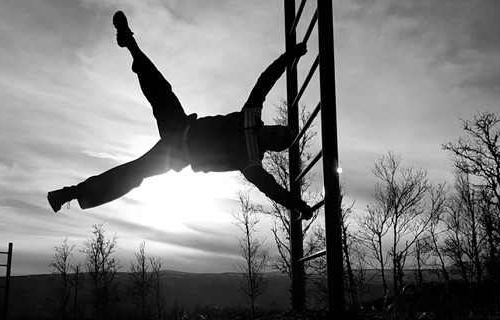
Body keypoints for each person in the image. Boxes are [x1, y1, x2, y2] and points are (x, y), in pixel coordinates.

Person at [47, 11, 315, 219]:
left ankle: (68, 194)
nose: (270, 130)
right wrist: (289, 56)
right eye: (276, 127)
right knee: (159, 87)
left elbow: (274, 190)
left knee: (132, 175)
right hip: (181, 124)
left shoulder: (252, 162)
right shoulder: (252, 116)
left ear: (274, 146)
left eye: (276, 135)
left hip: (177, 155)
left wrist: (300, 205)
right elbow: (265, 81)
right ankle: (129, 43)